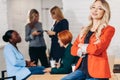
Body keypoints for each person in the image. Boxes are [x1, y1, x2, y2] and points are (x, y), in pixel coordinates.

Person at [61, 0, 115, 80]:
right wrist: (86, 48)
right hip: (81, 70)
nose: (95, 10)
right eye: (93, 7)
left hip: (97, 73)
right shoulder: (84, 30)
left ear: (104, 12)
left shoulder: (108, 29)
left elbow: (97, 49)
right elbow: (73, 49)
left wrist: (82, 46)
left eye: (99, 8)